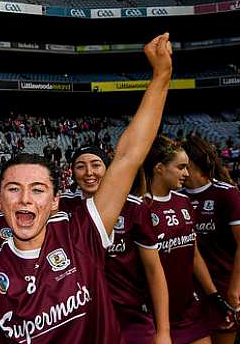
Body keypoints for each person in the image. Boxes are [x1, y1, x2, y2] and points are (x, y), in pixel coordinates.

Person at [0, 33, 172, 344]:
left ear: (55, 201)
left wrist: (161, 77)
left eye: (38, 189)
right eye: (13, 188)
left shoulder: (81, 232)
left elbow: (128, 156)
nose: (25, 197)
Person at [70, 146, 171, 344]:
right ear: (72, 172)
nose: (89, 172)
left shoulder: (134, 207)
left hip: (130, 316)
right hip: (83, 319)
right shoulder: (63, 206)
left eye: (96, 165)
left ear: (108, 169)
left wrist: (163, 331)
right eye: (80, 166)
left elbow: (154, 270)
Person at [141, 136, 227, 344]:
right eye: (181, 167)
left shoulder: (183, 201)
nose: (187, 174)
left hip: (187, 307)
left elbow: (194, 253)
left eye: (187, 167)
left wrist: (214, 295)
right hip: (152, 313)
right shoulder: (139, 206)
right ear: (159, 168)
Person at [181, 136, 240, 343]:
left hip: (222, 284)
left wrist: (233, 293)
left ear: (193, 162)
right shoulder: (177, 196)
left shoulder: (225, 193)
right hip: (187, 287)